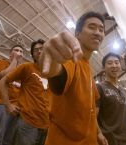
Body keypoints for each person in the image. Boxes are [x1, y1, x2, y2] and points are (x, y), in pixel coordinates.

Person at [38, 12, 105, 145]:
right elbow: (57, 78)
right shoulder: (71, 59)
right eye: (92, 27)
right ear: (78, 34)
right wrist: (51, 58)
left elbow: (91, 109)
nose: (98, 32)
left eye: (101, 29)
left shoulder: (87, 66)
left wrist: (98, 133)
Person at [0, 39, 49, 145]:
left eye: (42, 49)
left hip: (46, 126)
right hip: (27, 123)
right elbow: (2, 82)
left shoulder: (52, 73)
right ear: (32, 55)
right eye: (36, 50)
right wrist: (8, 105)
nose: (39, 51)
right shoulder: (27, 67)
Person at [96, 52, 126, 145]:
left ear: (120, 66)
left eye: (117, 62)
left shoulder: (123, 90)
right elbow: (92, 115)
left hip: (125, 141)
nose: (114, 65)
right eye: (109, 63)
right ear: (103, 68)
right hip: (107, 141)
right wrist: (99, 134)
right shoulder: (99, 87)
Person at [0, 45, 23, 145]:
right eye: (16, 50)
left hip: (15, 109)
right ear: (10, 54)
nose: (19, 52)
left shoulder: (22, 71)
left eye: (21, 51)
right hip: (0, 104)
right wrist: (14, 60)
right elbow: (3, 76)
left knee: (8, 140)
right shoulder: (1, 62)